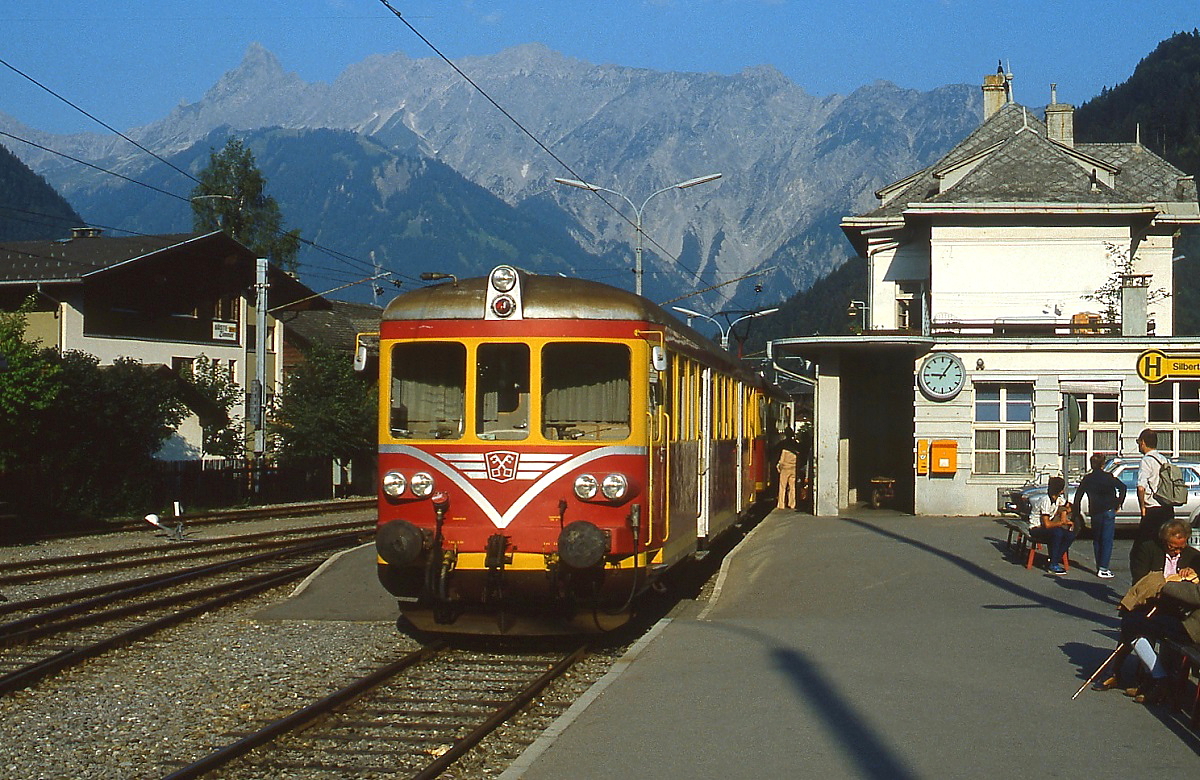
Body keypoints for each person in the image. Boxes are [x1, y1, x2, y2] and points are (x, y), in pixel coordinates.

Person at [1073, 453, 1127, 579]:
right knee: (1107, 540)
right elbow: (1123, 488)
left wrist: (1076, 512)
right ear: (1103, 464)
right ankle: (1104, 568)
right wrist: (1118, 503)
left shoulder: (1088, 479)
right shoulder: (1108, 477)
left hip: (1095, 511)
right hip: (1108, 510)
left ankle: (1099, 566)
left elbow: (1078, 496)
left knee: (1097, 539)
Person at [1131, 428, 1175, 578]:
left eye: (1138, 442)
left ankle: (1141, 583)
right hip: (1167, 508)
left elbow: (1141, 486)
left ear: (1143, 443)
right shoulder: (1164, 459)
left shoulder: (1146, 461)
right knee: (1163, 546)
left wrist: (1142, 507)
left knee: (1141, 550)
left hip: (1153, 510)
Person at [1028, 475, 1076, 575]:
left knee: (1070, 535)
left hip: (1047, 528)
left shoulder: (1059, 499)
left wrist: (1063, 512)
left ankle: (1054, 559)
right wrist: (1062, 522)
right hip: (1036, 528)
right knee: (1058, 533)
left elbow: (1069, 506)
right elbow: (1047, 524)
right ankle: (1053, 564)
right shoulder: (1046, 500)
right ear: (1061, 490)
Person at [1130, 518, 1200, 584]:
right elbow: (1139, 579)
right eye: (1172, 548)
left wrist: (1192, 572)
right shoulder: (1148, 550)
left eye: (1181, 548)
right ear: (1164, 541)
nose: (1177, 552)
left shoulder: (1194, 555)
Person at [775, 427, 801, 510]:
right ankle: (792, 504)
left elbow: (781, 461)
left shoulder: (784, 446)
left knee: (782, 487)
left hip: (785, 469)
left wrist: (778, 467)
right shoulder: (796, 445)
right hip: (793, 468)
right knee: (792, 487)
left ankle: (781, 504)